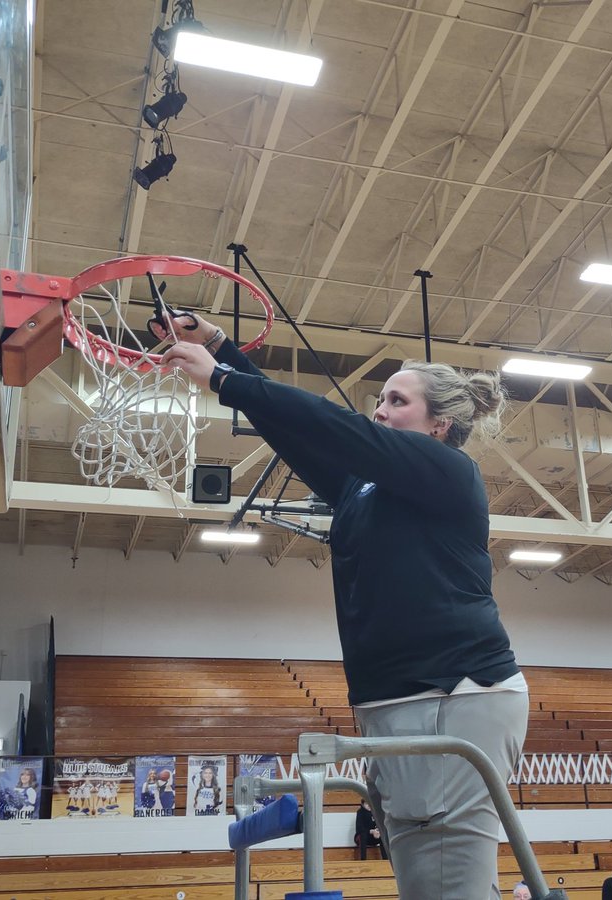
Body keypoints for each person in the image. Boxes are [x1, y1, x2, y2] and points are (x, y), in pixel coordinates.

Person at [159, 313, 527, 900]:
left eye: (396, 401)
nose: (379, 409)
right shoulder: (364, 486)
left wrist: (224, 382)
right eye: (379, 398)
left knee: (446, 887)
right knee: (422, 884)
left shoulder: (449, 471)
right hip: (395, 699)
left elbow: (342, 429)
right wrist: (222, 350)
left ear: (440, 425)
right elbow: (300, 434)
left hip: (453, 694)